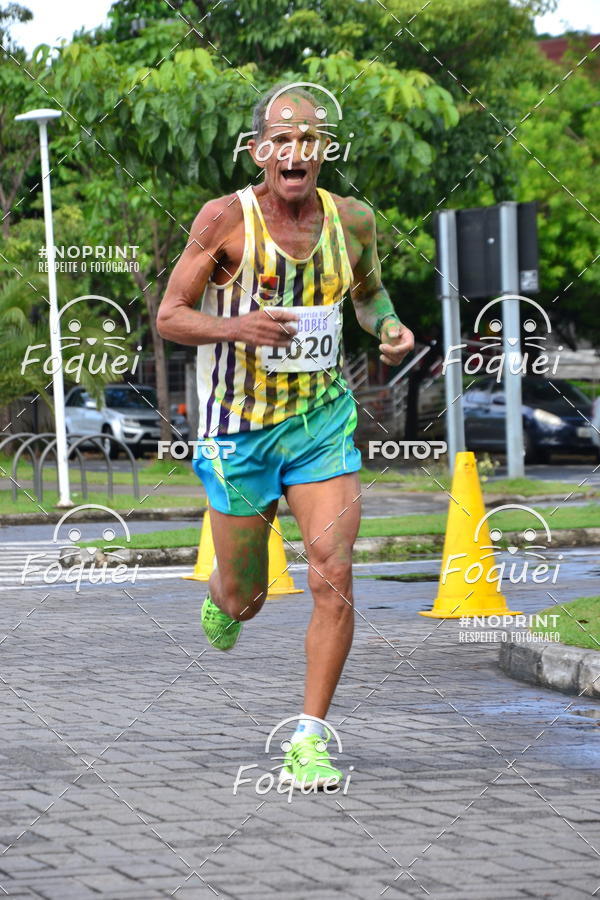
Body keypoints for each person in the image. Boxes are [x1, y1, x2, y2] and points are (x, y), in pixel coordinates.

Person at [157, 83, 414, 789]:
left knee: (333, 572)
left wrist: (387, 326)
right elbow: (171, 317)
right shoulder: (224, 221)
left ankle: (310, 737)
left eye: (310, 139)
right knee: (245, 598)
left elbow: (367, 294)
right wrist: (235, 325)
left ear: (325, 151)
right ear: (259, 151)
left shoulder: (354, 220)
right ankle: (224, 599)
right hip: (238, 433)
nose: (295, 152)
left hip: (319, 424)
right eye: (281, 139)